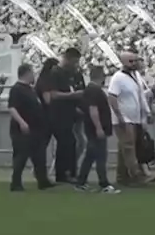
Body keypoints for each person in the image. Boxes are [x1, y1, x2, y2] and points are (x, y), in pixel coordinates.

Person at [108, 52, 155, 186]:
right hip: (124, 118)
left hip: (135, 118)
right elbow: (112, 97)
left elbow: (141, 96)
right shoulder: (117, 78)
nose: (134, 63)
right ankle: (136, 174)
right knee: (128, 146)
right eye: (131, 61)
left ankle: (122, 176)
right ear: (123, 62)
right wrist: (119, 116)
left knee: (126, 147)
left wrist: (147, 112)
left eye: (135, 61)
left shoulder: (136, 76)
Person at [74, 66, 120, 195]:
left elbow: (82, 109)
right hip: (96, 129)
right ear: (101, 76)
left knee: (90, 156)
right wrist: (99, 127)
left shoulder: (88, 90)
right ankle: (103, 183)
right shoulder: (95, 91)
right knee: (100, 157)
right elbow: (93, 110)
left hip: (90, 128)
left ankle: (81, 181)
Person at [7, 64, 54, 191]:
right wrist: (22, 122)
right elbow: (12, 108)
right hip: (23, 129)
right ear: (26, 73)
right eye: (32, 72)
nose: (34, 75)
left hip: (36, 129)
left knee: (39, 156)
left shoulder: (30, 89)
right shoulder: (17, 89)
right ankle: (15, 183)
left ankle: (42, 180)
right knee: (21, 156)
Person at [42, 48, 86, 184]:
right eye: (74, 62)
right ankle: (63, 173)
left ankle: (68, 172)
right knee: (66, 142)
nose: (76, 65)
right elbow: (53, 94)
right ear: (67, 59)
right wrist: (72, 95)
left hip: (71, 113)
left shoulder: (74, 73)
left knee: (71, 142)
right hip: (58, 114)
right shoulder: (55, 73)